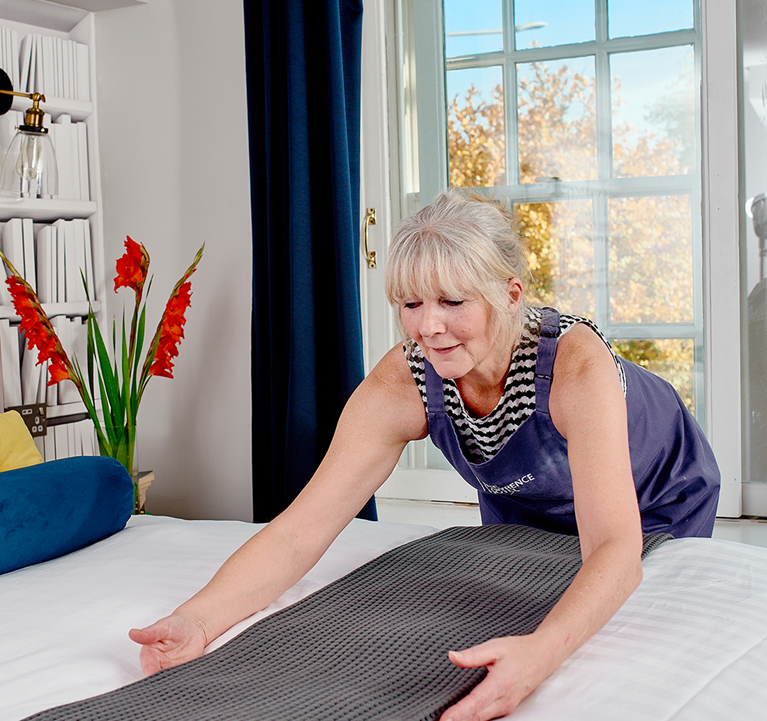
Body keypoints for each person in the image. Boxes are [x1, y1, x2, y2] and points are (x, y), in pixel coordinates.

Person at [130, 190, 720, 720]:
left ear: (510, 295)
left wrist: (539, 657)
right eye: (411, 304)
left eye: (452, 301)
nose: (430, 327)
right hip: (529, 504)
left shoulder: (575, 366)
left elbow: (615, 547)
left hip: (657, 497)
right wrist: (197, 620)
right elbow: (299, 532)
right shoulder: (404, 381)